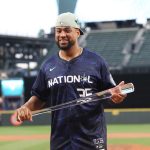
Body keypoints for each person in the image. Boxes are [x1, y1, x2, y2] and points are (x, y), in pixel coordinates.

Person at [16, 12, 127, 150]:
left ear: (77, 32)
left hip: (91, 140)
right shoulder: (47, 66)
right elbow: (39, 97)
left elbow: (111, 94)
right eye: (58, 31)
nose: (62, 34)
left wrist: (117, 97)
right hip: (60, 142)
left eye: (67, 30)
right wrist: (25, 108)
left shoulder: (96, 62)